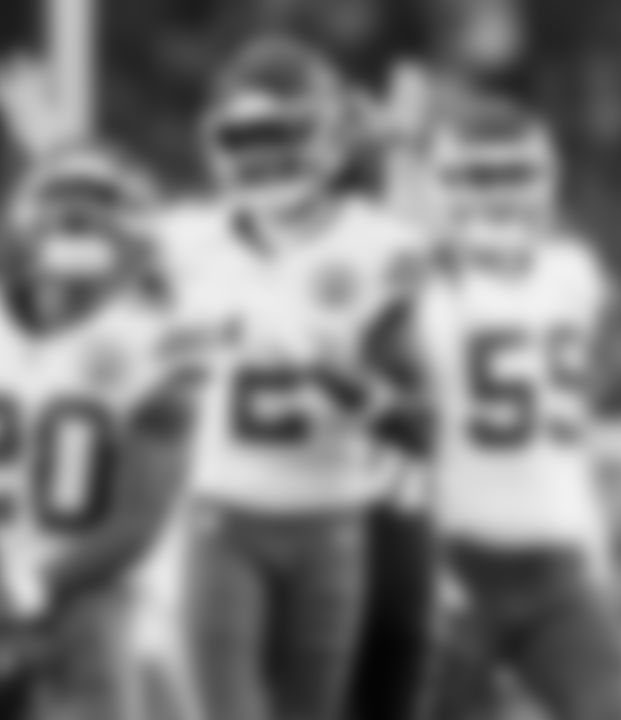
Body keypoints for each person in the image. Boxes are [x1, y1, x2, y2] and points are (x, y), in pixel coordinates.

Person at [150, 36, 435, 720]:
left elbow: (417, 419)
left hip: (333, 520)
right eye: (244, 136)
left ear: (332, 140)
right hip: (223, 516)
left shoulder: (378, 247)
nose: (263, 156)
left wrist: (341, 380)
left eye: (282, 133)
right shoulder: (190, 242)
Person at [0, 142, 202, 720]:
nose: (77, 225)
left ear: (131, 241)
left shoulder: (159, 343)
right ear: (25, 231)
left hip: (104, 598)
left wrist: (28, 588)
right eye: (65, 212)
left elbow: (136, 522)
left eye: (94, 214)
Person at [412, 98, 621, 720]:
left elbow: (585, 382)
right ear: (438, 188)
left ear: (549, 181)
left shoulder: (573, 274)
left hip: (557, 569)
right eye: (477, 176)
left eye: (515, 174)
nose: (498, 194)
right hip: (447, 565)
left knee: (620, 707)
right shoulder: (413, 290)